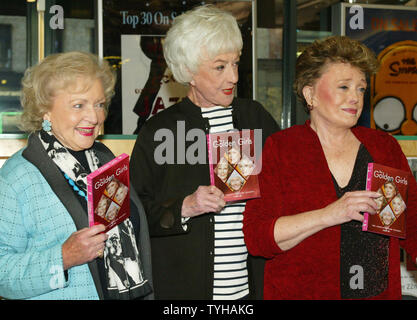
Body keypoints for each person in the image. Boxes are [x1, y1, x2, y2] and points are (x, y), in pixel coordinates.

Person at [243, 36, 417, 299]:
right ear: (310, 93)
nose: (355, 98)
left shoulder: (384, 148)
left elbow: (411, 222)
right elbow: (258, 237)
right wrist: (331, 213)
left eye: (360, 89)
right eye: (344, 87)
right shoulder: (281, 149)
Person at [130, 5, 279, 299]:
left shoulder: (255, 118)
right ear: (188, 72)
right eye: (220, 66)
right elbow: (134, 214)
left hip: (253, 289)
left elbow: (288, 187)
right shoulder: (160, 131)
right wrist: (184, 207)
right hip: (184, 290)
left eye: (236, 63)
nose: (234, 77)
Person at [0, 52, 153, 300]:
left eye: (99, 104)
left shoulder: (104, 159)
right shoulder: (18, 176)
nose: (94, 117)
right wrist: (63, 257)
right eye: (78, 105)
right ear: (45, 111)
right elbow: (2, 274)